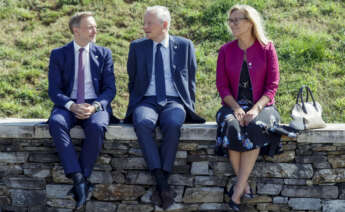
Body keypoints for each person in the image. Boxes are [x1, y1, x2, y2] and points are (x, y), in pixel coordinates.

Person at [124, 5, 205, 210]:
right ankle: (162, 181)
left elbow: (191, 78)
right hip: (147, 100)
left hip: (174, 101)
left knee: (172, 124)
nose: (144, 27)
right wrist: (137, 101)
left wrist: (189, 104)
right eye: (144, 22)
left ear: (164, 25)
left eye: (149, 23)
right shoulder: (137, 47)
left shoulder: (185, 45)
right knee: (142, 122)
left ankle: (162, 178)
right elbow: (132, 81)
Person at [48, 11, 117, 210]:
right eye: (90, 27)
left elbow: (110, 89)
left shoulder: (104, 53)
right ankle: (79, 178)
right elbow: (54, 90)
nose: (95, 30)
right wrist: (71, 105)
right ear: (76, 30)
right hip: (68, 104)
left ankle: (82, 177)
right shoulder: (58, 54)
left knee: (97, 126)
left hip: (95, 105)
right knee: (56, 122)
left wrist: (95, 106)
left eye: (95, 26)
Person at [215, 4, 281, 211]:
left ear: (250, 22)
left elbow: (272, 85)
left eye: (237, 20)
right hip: (231, 105)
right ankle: (244, 186)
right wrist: (235, 107)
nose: (232, 24)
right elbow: (222, 86)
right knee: (232, 127)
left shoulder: (267, 48)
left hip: (263, 106)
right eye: (230, 20)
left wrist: (255, 109)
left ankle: (237, 191)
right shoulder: (226, 50)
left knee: (255, 126)